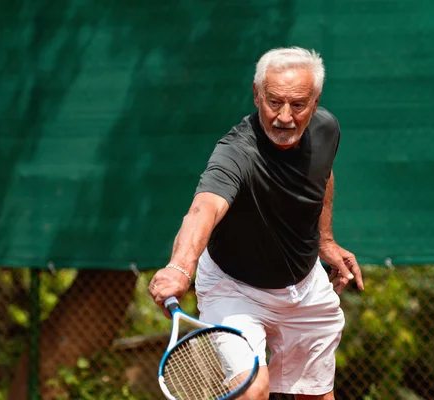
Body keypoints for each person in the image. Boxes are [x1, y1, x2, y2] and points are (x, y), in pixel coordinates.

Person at [148, 46, 364, 400]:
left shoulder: (326, 129)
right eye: (274, 102)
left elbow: (322, 175)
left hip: (305, 286)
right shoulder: (235, 153)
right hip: (235, 290)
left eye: (297, 105)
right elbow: (204, 210)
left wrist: (325, 240)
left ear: (316, 100)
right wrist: (179, 268)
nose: (284, 117)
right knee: (252, 390)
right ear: (256, 94)